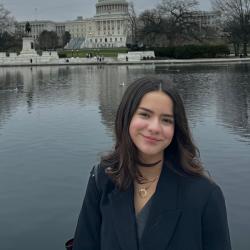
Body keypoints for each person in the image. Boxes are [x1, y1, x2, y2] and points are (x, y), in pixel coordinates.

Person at [72, 77, 231, 250]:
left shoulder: (205, 194)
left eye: (166, 120)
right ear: (127, 116)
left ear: (176, 128)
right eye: (145, 114)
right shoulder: (102, 178)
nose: (154, 127)